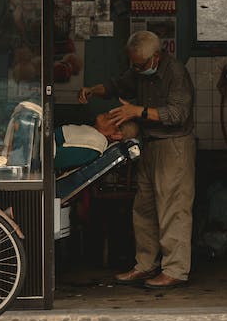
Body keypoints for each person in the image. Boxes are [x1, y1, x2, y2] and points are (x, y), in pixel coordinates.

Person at [78, 30, 195, 289]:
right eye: (134, 64)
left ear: (157, 56)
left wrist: (137, 111)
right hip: (150, 145)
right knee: (144, 209)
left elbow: (178, 113)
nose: (137, 69)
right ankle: (145, 265)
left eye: (141, 65)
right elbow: (117, 85)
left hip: (174, 146)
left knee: (173, 209)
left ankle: (175, 269)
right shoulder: (140, 69)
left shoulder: (176, 74)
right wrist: (94, 90)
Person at [53, 112, 138, 170]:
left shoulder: (95, 142)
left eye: (114, 118)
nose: (109, 114)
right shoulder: (92, 132)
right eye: (113, 112)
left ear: (116, 135)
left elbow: (51, 158)